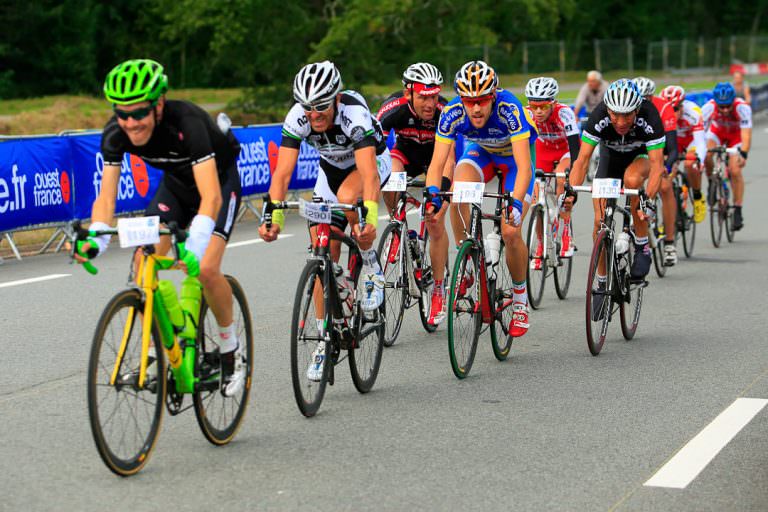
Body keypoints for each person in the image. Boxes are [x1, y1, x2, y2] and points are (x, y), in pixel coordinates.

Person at [75, 59, 245, 396]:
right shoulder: (115, 133)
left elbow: (211, 196)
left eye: (139, 114)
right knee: (143, 263)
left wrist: (195, 244)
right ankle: (158, 345)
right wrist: (95, 236)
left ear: (159, 104)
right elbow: (106, 199)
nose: (130, 123)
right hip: (177, 190)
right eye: (122, 114)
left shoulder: (188, 123)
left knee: (207, 268)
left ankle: (230, 351)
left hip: (219, 187)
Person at [259, 61, 390, 380]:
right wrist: (273, 215)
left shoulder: (353, 115)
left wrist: (370, 217)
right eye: (307, 107)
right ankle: (323, 338)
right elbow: (283, 173)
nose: (313, 114)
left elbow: (369, 174)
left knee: (351, 201)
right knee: (322, 251)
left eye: (320, 107)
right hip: (328, 174)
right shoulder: (298, 117)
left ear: (335, 99)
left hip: (369, 167)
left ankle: (370, 263)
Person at [424, 60, 537, 338]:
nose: (475, 108)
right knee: (457, 192)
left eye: (482, 101)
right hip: (483, 153)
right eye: (469, 101)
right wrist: (433, 196)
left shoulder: (509, 109)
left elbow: (524, 167)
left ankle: (520, 300)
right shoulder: (451, 112)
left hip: (513, 161)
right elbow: (437, 164)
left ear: (494, 96)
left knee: (511, 231)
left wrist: (517, 203)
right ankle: (468, 260)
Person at [569, 79, 666, 318]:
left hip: (640, 157)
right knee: (599, 221)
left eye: (627, 116)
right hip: (610, 159)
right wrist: (571, 191)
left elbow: (656, 166)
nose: (621, 122)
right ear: (607, 110)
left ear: (637, 110)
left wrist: (649, 200)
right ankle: (602, 282)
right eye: (616, 116)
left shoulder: (650, 116)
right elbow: (581, 161)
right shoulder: (598, 116)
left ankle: (642, 244)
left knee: (633, 181)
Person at [376, 62, 454, 325]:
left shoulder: (445, 111)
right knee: (391, 177)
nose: (429, 103)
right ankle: (397, 223)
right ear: (408, 93)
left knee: (435, 222)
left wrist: (439, 196)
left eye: (433, 96)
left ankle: (439, 291)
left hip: (438, 159)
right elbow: (376, 151)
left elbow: (450, 161)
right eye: (423, 97)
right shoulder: (392, 109)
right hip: (405, 156)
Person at [523, 76, 580, 269]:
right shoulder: (526, 114)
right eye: (534, 106)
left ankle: (566, 232)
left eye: (543, 107)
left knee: (561, 180)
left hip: (564, 150)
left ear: (553, 103)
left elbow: (575, 149)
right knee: (535, 200)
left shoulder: (565, 114)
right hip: (543, 150)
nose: (538, 111)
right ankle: (540, 243)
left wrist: (572, 174)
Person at [634, 76, 679, 266]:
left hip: (660, 149)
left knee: (666, 186)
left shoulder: (663, 108)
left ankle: (669, 243)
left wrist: (666, 168)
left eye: (648, 99)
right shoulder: (627, 110)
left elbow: (672, 147)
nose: (644, 104)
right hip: (638, 150)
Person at [702, 82, 751, 230]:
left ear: (733, 102)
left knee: (735, 170)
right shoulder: (709, 107)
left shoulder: (742, 107)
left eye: (727, 106)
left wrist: (743, 153)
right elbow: (700, 132)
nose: (724, 110)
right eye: (721, 106)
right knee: (707, 154)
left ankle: (737, 209)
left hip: (735, 136)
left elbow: (746, 135)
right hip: (717, 133)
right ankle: (711, 180)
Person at [660, 85, 707, 224]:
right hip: (674, 141)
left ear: (682, 106)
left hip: (691, 140)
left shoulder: (693, 112)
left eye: (675, 110)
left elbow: (700, 142)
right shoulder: (660, 114)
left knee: (690, 164)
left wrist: (700, 160)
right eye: (669, 110)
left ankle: (698, 196)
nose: (672, 114)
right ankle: (667, 220)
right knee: (665, 179)